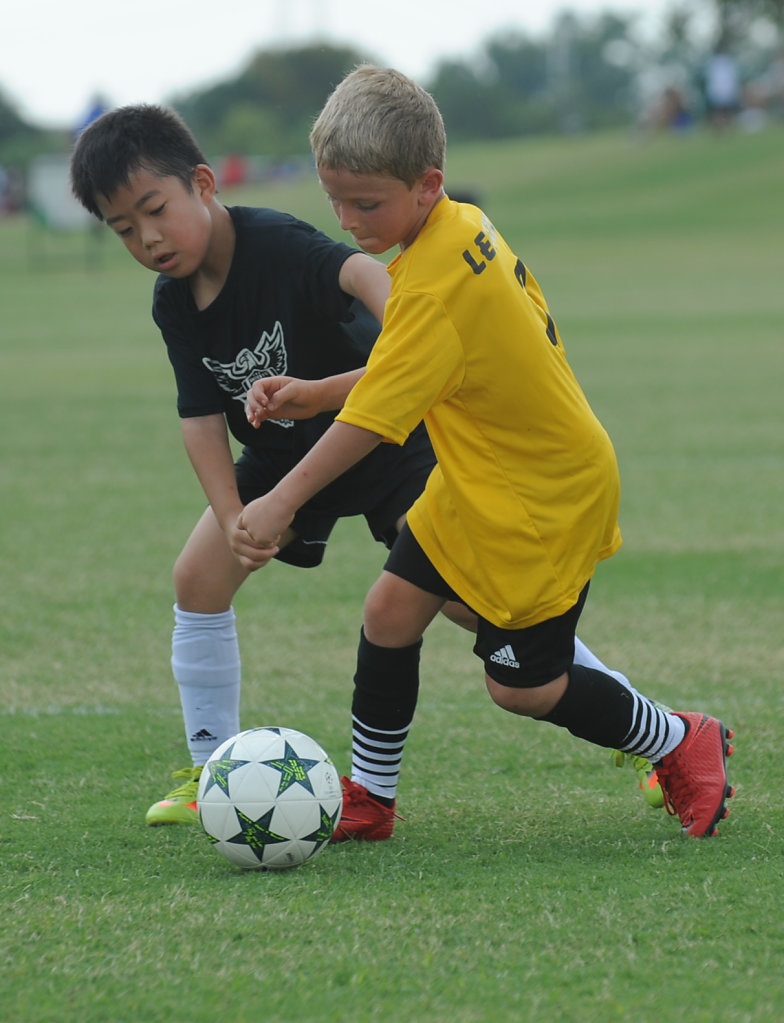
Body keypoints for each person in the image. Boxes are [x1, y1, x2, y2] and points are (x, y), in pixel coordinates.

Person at [67, 103, 651, 829]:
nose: (147, 237)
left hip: (385, 443)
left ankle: (639, 730)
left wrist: (369, 367)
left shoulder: (275, 242)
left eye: (154, 210)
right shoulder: (175, 303)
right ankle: (211, 768)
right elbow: (198, 418)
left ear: (204, 184)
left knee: (471, 601)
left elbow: (381, 288)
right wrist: (233, 519)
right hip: (286, 459)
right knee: (198, 576)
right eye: (123, 228)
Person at [240, 65, 735, 839]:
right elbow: (422, 362)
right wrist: (314, 391)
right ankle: (370, 796)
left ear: (427, 183)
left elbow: (377, 420)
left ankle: (680, 739)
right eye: (334, 199)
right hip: (485, 479)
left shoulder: (435, 279)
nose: (347, 219)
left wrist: (280, 501)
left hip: (540, 497)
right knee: (391, 609)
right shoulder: (459, 224)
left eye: (366, 203)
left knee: (524, 688)